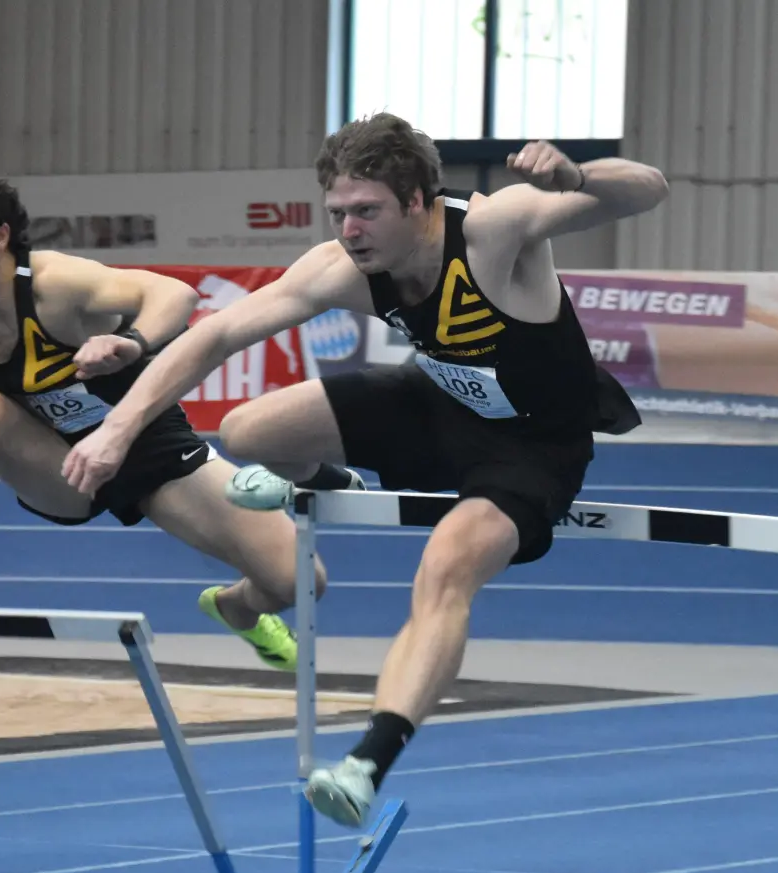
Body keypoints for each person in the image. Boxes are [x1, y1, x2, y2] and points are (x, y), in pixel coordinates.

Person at [62, 113, 666, 827]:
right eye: (339, 213)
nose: (350, 230)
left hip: (533, 447)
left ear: (419, 202)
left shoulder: (492, 232)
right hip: (436, 403)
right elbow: (218, 334)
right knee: (248, 429)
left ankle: (367, 762)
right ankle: (328, 483)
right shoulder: (342, 267)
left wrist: (577, 177)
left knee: (443, 570)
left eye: (367, 212)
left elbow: (648, 189)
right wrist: (118, 430)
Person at [0, 161, 365, 671]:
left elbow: (175, 294)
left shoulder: (55, 286)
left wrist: (131, 342)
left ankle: (235, 609)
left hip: (149, 451)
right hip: (64, 467)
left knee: (301, 581)